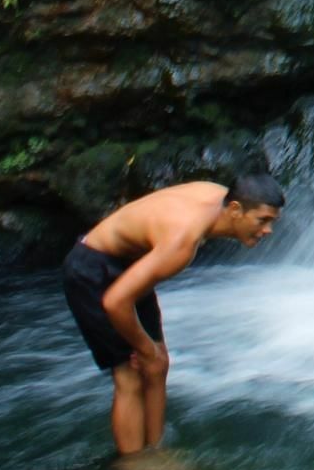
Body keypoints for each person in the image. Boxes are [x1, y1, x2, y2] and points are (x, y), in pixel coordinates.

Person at [61, 172, 284, 455]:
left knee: (159, 364)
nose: (267, 231)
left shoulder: (218, 194)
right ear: (235, 210)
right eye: (262, 221)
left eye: (272, 222)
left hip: (128, 265)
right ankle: (133, 467)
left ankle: (156, 451)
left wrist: (152, 354)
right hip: (90, 270)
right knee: (129, 374)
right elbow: (115, 302)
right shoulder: (183, 242)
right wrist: (144, 348)